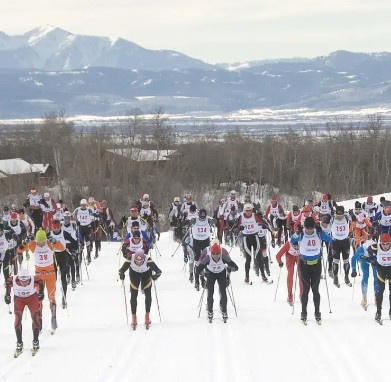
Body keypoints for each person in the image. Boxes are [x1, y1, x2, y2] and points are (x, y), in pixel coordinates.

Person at [17, 228, 65, 332]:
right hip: (38, 277)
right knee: (39, 299)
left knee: (51, 296)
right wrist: (25, 241)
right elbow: (19, 250)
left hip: (50, 274)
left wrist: (55, 241)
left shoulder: (49, 243)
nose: (41, 244)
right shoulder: (33, 244)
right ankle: (39, 321)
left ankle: (53, 317)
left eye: (43, 241)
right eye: (39, 242)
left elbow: (62, 248)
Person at [294, 217, 332, 323]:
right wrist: (297, 232)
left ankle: (317, 313)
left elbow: (330, 239)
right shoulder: (301, 234)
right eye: (307, 228)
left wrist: (322, 231)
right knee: (305, 289)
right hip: (304, 265)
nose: (309, 230)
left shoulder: (318, 233)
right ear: (304, 227)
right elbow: (292, 240)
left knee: (315, 290)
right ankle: (303, 313)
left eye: (311, 228)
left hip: (316, 264)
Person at [195, 239, 238, 322]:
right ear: (211, 253)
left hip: (221, 274)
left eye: (217, 254)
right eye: (213, 254)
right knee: (210, 293)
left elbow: (236, 267)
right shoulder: (207, 258)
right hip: (211, 274)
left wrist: (229, 269)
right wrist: (203, 276)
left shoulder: (224, 257)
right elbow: (198, 270)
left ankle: (224, 311)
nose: (215, 255)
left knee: (223, 292)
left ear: (220, 253)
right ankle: (210, 312)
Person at [4, 268, 44, 357]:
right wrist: (7, 295)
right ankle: (19, 344)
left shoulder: (34, 279)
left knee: (35, 318)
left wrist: (41, 293)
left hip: (32, 298)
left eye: (26, 281)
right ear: (19, 278)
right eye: (22, 281)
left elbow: (41, 282)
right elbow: (7, 283)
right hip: (19, 300)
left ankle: (36, 342)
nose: (25, 283)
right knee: (17, 320)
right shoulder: (13, 280)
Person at [118, 248, 162, 329]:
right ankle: (134, 318)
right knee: (134, 294)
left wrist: (156, 276)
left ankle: (147, 317)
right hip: (134, 274)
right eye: (137, 261)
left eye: (141, 261)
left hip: (146, 274)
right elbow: (121, 270)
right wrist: (121, 274)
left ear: (143, 258)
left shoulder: (148, 259)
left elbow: (159, 271)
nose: (139, 262)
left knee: (147, 293)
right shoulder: (131, 258)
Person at [49, 219, 78, 308]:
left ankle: (64, 298)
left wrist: (73, 251)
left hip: (63, 256)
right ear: (52, 228)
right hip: (53, 256)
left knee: (63, 278)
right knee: (53, 278)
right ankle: (52, 299)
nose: (56, 230)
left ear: (60, 227)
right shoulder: (49, 234)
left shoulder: (64, 233)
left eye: (57, 228)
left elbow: (74, 242)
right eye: (54, 228)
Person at [236, 203, 264, 284]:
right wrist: (239, 227)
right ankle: (247, 277)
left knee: (259, 257)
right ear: (244, 211)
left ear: (252, 210)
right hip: (246, 238)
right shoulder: (241, 217)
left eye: (250, 210)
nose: (248, 212)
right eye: (247, 210)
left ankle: (263, 275)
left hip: (255, 237)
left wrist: (265, 226)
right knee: (248, 259)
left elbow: (263, 222)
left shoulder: (255, 216)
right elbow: (234, 227)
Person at [351, 235, 378, 310]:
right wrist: (354, 270)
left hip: (374, 259)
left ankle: (377, 295)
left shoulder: (377, 248)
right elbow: (353, 259)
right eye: (371, 252)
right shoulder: (361, 249)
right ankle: (364, 297)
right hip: (363, 259)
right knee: (366, 275)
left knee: (376, 276)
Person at [191, 208, 214, 290]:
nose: (203, 217)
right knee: (198, 260)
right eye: (202, 215)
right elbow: (190, 221)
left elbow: (214, 220)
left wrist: (213, 222)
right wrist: (191, 222)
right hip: (196, 241)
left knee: (206, 259)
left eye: (204, 215)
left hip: (205, 241)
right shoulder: (195, 219)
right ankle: (197, 280)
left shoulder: (208, 219)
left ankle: (205, 279)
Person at [276, 239, 303, 305]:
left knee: (301, 275)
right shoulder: (288, 244)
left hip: (299, 256)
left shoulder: (303, 242)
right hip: (290, 256)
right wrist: (280, 262)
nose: (296, 248)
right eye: (295, 246)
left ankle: (302, 294)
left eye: (297, 246)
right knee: (290, 273)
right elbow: (278, 255)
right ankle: (290, 294)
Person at [331, 205, 352, 287]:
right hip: (335, 242)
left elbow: (355, 217)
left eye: (341, 215)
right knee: (336, 260)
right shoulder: (332, 218)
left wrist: (352, 214)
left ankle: (346, 276)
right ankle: (335, 277)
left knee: (346, 260)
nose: (339, 217)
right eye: (337, 215)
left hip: (345, 241)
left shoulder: (347, 217)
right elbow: (323, 221)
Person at [373, 233, 391, 323]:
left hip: (390, 269)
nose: (385, 246)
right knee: (381, 291)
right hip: (381, 269)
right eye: (383, 244)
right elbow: (367, 250)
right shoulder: (376, 247)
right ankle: (378, 312)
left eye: (387, 243)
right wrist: (371, 259)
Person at [73, 199, 97, 264]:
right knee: (80, 243)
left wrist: (96, 215)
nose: (83, 206)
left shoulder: (89, 210)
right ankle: (80, 256)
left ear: (86, 205)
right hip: (80, 228)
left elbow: (93, 216)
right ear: (80, 205)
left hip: (87, 227)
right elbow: (74, 216)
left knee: (88, 242)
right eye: (82, 205)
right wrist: (76, 221)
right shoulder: (77, 210)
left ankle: (88, 256)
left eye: (84, 205)